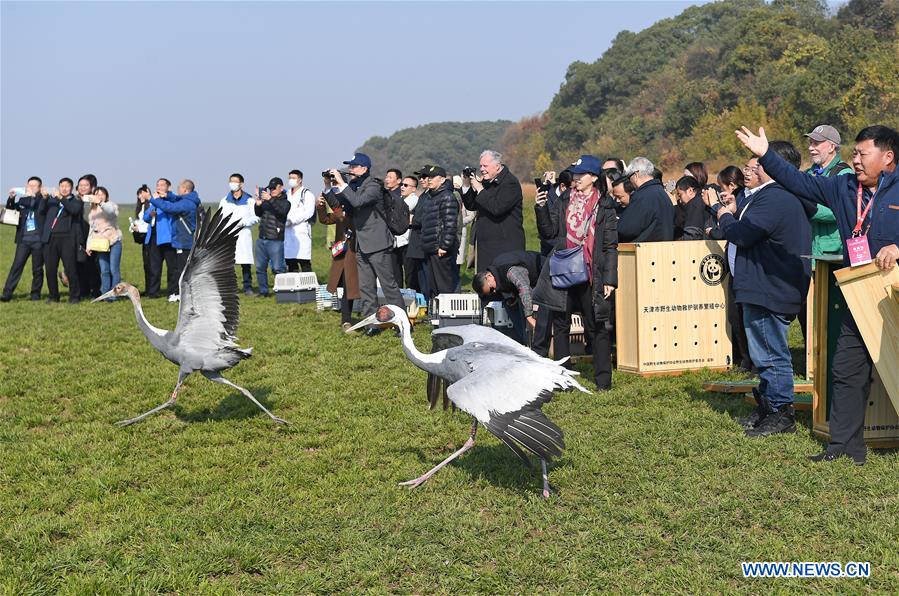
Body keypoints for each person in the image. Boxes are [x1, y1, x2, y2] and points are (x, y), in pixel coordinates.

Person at [737, 124, 899, 464]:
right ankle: (844, 448)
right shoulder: (843, 187)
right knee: (846, 370)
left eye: (862, 154)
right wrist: (766, 154)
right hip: (861, 296)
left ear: (887, 157)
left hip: (894, 294)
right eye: (854, 153)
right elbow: (799, 182)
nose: (855, 160)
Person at [707, 140, 812, 438]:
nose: (754, 167)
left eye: (761, 161)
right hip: (765, 283)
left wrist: (723, 214)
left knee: (770, 353)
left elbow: (742, 234)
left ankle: (781, 412)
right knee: (763, 351)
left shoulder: (775, 197)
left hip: (770, 285)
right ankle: (768, 406)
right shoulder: (770, 196)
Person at [533, 155, 618, 390]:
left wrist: (610, 279)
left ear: (594, 177)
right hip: (565, 269)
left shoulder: (605, 205)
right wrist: (541, 208)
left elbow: (610, 246)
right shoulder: (564, 199)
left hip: (592, 272)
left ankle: (603, 382)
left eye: (581, 174)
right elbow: (548, 232)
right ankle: (564, 379)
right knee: (560, 325)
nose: (576, 178)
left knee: (597, 326)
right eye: (575, 174)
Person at [329, 152, 405, 336]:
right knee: (366, 287)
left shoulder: (373, 185)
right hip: (361, 244)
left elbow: (357, 202)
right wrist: (328, 187)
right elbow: (342, 205)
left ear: (364, 168)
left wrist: (342, 183)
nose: (350, 169)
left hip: (378, 243)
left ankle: (402, 323)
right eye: (350, 166)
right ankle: (372, 323)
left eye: (353, 166)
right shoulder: (354, 186)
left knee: (388, 285)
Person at [706, 165, 753, 373]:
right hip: (734, 266)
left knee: (748, 318)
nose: (747, 172)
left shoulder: (749, 199)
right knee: (735, 316)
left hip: (746, 268)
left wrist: (716, 207)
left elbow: (733, 229)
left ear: (732, 185)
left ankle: (755, 363)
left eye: (721, 187)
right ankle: (746, 360)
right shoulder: (739, 198)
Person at [460, 149, 525, 271]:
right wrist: (466, 185)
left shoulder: (510, 183)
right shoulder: (486, 181)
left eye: (485, 166)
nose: (482, 169)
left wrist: (480, 189)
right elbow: (471, 205)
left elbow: (497, 208)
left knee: (501, 279)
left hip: (504, 246)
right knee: (484, 280)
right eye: (480, 166)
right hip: (486, 246)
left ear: (497, 166)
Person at [472, 250, 545, 345]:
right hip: (532, 282)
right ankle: (525, 342)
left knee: (525, 307)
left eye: (491, 289)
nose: (494, 291)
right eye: (490, 292)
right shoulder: (495, 273)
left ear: (489, 276)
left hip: (545, 273)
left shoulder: (510, 271)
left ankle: (535, 343)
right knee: (511, 305)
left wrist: (529, 316)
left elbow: (524, 287)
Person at [317, 176, 359, 330]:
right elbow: (326, 219)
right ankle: (346, 319)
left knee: (351, 285)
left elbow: (342, 216)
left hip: (355, 249)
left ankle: (352, 318)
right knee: (346, 284)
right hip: (343, 250)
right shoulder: (340, 207)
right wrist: (320, 206)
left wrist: (329, 193)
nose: (334, 188)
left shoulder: (353, 205)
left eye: (336, 184)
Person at [150, 179, 201, 301]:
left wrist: (155, 199)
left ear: (185, 190)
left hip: (184, 241)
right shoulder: (190, 200)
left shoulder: (186, 204)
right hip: (185, 240)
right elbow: (176, 199)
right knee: (183, 268)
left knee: (182, 269)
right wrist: (166, 195)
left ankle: (179, 294)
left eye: (179, 188)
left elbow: (170, 207)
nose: (178, 191)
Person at [2, 177, 48, 302]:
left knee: (37, 269)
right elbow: (11, 209)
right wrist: (11, 198)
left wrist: (36, 197)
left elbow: (42, 209)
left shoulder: (44, 199)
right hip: (23, 240)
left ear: (40, 187)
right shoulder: (23, 200)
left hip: (38, 240)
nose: (31, 187)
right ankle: (7, 293)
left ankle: (35, 294)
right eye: (29, 185)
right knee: (16, 266)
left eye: (34, 185)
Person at [418, 166, 460, 297]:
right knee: (432, 285)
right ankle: (434, 308)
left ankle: (446, 310)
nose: (429, 180)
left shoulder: (447, 196)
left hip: (440, 249)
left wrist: (444, 246)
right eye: (428, 177)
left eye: (433, 177)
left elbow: (450, 224)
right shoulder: (430, 196)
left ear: (442, 180)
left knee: (444, 285)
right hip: (429, 247)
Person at [41, 176, 83, 303]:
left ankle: (74, 296)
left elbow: (74, 210)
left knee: (70, 268)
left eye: (67, 186)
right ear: (58, 187)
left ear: (71, 188)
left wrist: (61, 198)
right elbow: (41, 211)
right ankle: (53, 296)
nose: (64, 189)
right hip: (50, 238)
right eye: (62, 186)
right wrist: (44, 198)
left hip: (67, 239)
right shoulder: (52, 201)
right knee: (50, 269)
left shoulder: (76, 201)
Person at [218, 173, 259, 295]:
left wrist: (243, 222)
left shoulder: (249, 200)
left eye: (235, 181)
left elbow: (256, 217)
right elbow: (220, 217)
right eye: (231, 181)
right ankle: (230, 288)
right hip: (228, 234)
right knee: (228, 263)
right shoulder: (224, 200)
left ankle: (248, 287)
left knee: (245, 262)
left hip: (243, 233)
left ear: (241, 184)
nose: (233, 184)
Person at [618, 157, 675, 242]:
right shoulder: (662, 193)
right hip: (663, 246)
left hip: (646, 248)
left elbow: (626, 229)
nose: (630, 182)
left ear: (636, 175)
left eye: (629, 177)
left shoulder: (643, 196)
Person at [253, 177, 291, 297]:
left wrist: (270, 199)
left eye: (274, 188)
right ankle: (263, 291)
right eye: (270, 188)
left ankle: (283, 292)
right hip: (262, 238)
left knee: (278, 268)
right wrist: (258, 205)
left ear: (281, 188)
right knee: (260, 268)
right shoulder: (266, 201)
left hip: (275, 239)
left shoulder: (285, 202)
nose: (272, 190)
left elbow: (282, 211)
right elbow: (259, 213)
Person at [85, 186, 123, 301]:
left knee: (114, 269)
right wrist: (88, 245)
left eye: (102, 194)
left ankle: (115, 294)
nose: (100, 196)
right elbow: (91, 229)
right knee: (104, 270)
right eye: (97, 194)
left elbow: (111, 213)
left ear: (106, 196)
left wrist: (101, 203)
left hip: (114, 241)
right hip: (100, 244)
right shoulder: (92, 211)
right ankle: (106, 294)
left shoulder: (111, 205)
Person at [143, 178, 176, 299]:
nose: (159, 187)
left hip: (167, 238)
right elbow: (145, 217)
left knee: (172, 267)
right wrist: (150, 214)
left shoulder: (172, 200)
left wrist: (159, 199)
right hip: (154, 237)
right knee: (154, 267)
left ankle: (172, 291)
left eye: (162, 185)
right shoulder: (154, 201)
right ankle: (153, 292)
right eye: (157, 185)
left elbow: (169, 209)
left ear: (168, 187)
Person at [404, 167, 431, 294]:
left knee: (427, 279)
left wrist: (412, 220)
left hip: (424, 242)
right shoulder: (424, 195)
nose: (421, 179)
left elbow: (425, 218)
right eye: (420, 177)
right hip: (417, 243)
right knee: (419, 278)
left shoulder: (431, 195)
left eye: (424, 177)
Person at [74, 174, 100, 299]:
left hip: (91, 234)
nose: (83, 187)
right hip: (76, 235)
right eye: (81, 185)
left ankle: (95, 290)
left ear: (91, 187)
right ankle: (83, 290)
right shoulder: (74, 199)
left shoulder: (94, 200)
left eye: (86, 185)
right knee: (79, 264)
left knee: (92, 264)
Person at [284, 169, 316, 273]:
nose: (291, 180)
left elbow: (309, 212)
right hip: (288, 231)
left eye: (293, 178)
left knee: (304, 261)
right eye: (290, 178)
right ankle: (293, 282)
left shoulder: (306, 194)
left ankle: (308, 282)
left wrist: (293, 220)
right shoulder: (286, 194)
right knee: (290, 262)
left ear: (300, 180)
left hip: (301, 231)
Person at [394, 174, 420, 287]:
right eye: (402, 184)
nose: (402, 187)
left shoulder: (413, 199)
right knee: (396, 273)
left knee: (410, 273)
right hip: (397, 241)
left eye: (406, 185)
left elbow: (397, 212)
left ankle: (412, 294)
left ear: (413, 189)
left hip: (407, 242)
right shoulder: (401, 199)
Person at [130, 185, 153, 296]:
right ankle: (148, 288)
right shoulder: (141, 206)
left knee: (151, 264)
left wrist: (140, 228)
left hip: (150, 237)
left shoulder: (151, 205)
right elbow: (140, 221)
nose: (140, 196)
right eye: (139, 194)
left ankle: (152, 289)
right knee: (146, 264)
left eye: (142, 193)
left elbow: (149, 223)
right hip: (143, 237)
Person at [674, 176, 710, 240]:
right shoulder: (703, 199)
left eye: (680, 195)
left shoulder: (694, 204)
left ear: (690, 191)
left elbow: (691, 236)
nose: (680, 200)